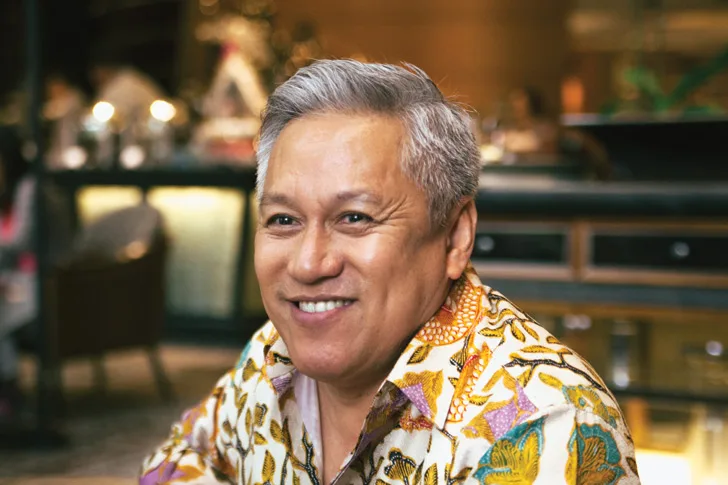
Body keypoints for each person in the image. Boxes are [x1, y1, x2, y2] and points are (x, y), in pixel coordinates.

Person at [140, 61, 640, 484]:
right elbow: (180, 460)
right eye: (284, 220)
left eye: (355, 218)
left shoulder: (537, 423)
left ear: (454, 237)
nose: (308, 264)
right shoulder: (272, 355)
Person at [0, 126, 35, 419]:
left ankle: (8, 391)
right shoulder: (6, 191)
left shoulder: (30, 189)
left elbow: (20, 242)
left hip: (32, 283)